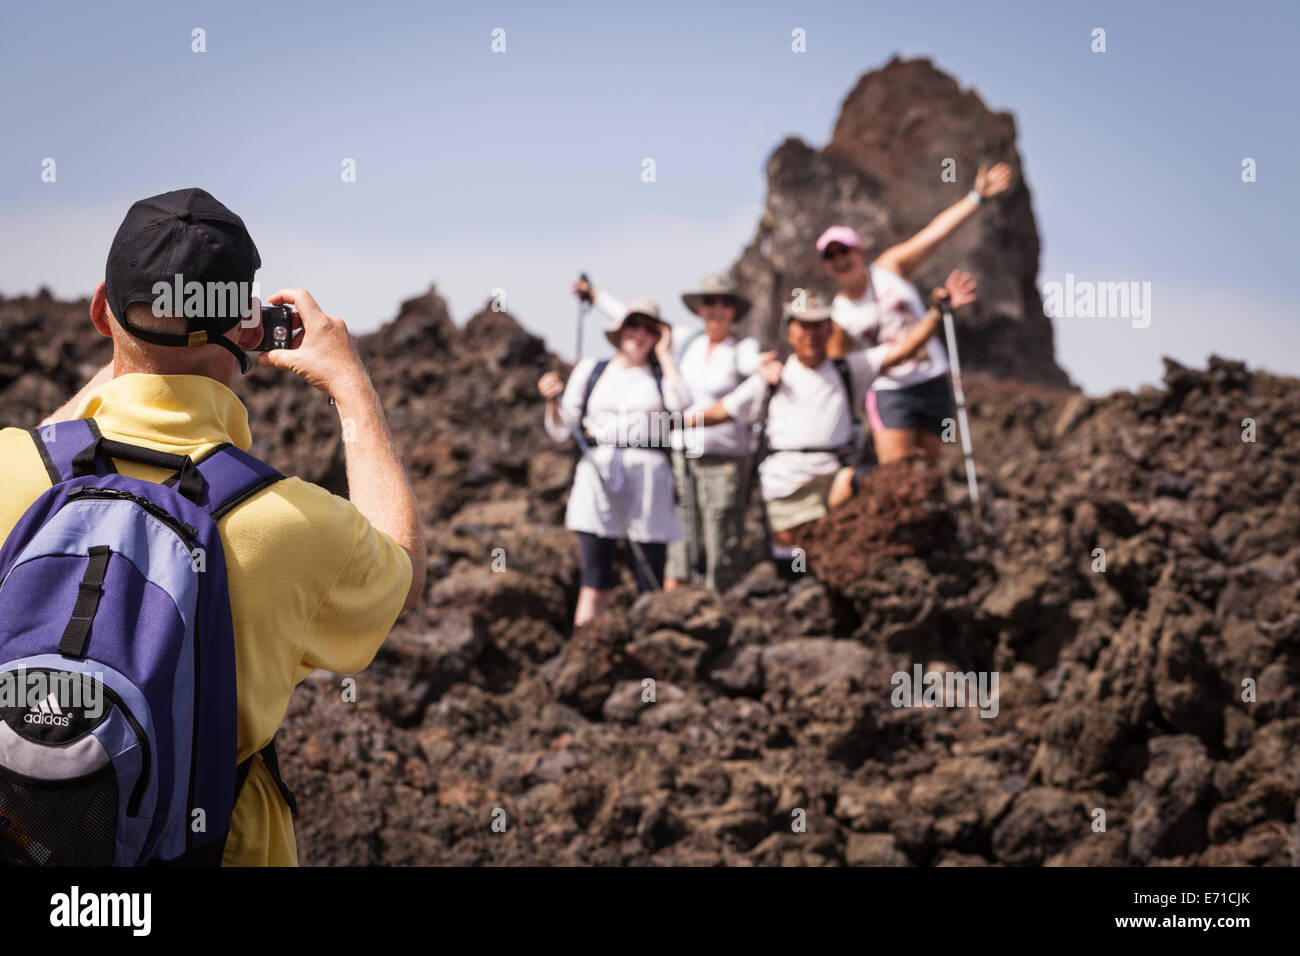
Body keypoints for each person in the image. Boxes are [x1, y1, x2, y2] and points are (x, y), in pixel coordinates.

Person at [0, 188, 424, 866]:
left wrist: (122, 367)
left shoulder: (12, 469)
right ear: (251, 333)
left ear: (102, 310)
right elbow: (401, 572)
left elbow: (52, 441)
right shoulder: (301, 526)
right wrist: (351, 388)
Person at [687, 273, 976, 570]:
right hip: (786, 483)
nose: (810, 333)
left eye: (818, 324)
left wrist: (935, 314)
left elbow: (902, 349)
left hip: (835, 481)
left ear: (829, 329)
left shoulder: (851, 369)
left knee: (869, 496)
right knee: (794, 563)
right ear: (790, 331)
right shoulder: (772, 378)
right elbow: (722, 411)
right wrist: (674, 423)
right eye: (803, 325)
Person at [578, 273, 771, 592]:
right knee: (679, 536)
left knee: (721, 536)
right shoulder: (688, 340)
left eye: (725, 302)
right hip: (680, 457)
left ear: (735, 309)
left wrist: (704, 417)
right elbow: (635, 321)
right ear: (700, 308)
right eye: (710, 301)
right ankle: (673, 607)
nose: (717, 308)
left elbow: (756, 371)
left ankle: (720, 604)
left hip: (724, 459)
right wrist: (594, 295)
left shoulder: (742, 348)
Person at [820, 162, 1014, 466]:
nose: (839, 259)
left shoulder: (890, 268)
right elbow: (842, 370)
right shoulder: (839, 315)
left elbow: (936, 233)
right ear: (825, 265)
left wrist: (977, 197)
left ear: (859, 251)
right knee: (898, 473)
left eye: (844, 251)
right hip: (889, 390)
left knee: (928, 469)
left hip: (932, 378)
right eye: (830, 256)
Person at [537, 298, 689, 626]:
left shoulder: (662, 375)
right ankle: (584, 648)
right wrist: (552, 402)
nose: (640, 334)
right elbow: (563, 430)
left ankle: (651, 649)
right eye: (634, 324)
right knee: (594, 581)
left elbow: (682, 404)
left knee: (649, 580)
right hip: (597, 475)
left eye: (650, 329)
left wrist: (664, 353)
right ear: (620, 330)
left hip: (649, 481)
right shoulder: (591, 370)